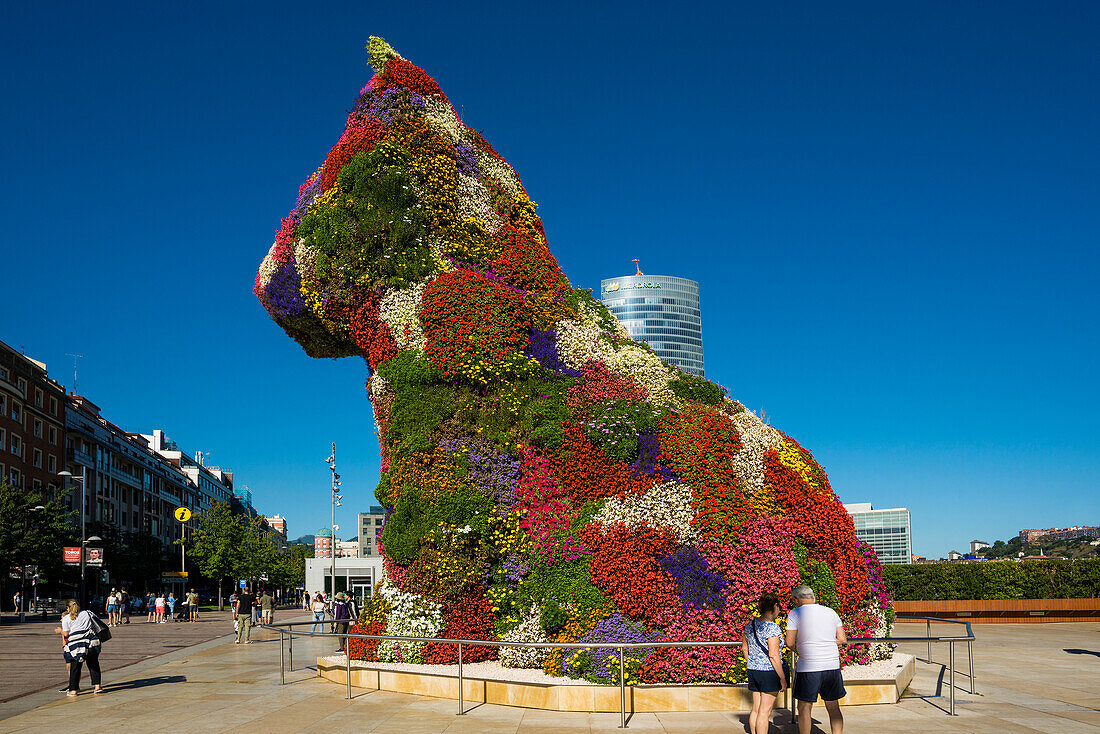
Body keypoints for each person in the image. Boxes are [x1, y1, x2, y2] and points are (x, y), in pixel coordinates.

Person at [786, 585, 847, 734]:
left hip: (809, 667)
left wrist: (801, 649)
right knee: (833, 707)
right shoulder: (831, 612)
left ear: (796, 600)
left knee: (804, 708)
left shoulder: (795, 613)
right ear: (813, 597)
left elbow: (789, 642)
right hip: (831, 665)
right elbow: (842, 639)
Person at [743, 592, 787, 734]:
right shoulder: (772, 628)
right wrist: (782, 678)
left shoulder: (750, 625)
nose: (779, 611)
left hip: (753, 670)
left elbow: (745, 648)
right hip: (768, 672)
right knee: (764, 712)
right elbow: (773, 655)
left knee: (756, 709)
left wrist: (753, 661)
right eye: (779, 607)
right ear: (774, 606)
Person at [58, 600, 103, 696]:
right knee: (93, 663)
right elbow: (97, 623)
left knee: (75, 666)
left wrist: (59, 631)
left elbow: (66, 633)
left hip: (76, 645)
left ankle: (73, 690)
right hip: (92, 642)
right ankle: (97, 686)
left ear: (68, 608)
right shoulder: (88, 613)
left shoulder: (66, 618)